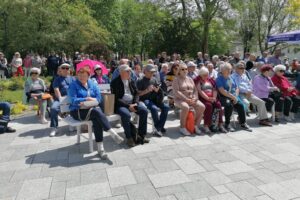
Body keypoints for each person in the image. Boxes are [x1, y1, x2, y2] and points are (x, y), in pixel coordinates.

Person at [68, 67, 123, 159]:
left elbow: (99, 98)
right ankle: (111, 134)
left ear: (88, 76)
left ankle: (101, 148)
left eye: (84, 76)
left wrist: (93, 100)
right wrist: (86, 99)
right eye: (79, 75)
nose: (81, 77)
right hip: (77, 111)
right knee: (97, 112)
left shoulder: (92, 84)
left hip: (92, 110)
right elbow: (73, 100)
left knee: (97, 118)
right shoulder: (74, 85)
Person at [110, 64, 149, 147]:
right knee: (126, 115)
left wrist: (135, 103)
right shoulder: (114, 82)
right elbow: (116, 99)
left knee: (144, 111)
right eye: (127, 71)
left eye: (130, 71)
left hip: (132, 103)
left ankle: (142, 135)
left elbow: (136, 93)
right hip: (120, 105)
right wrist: (128, 106)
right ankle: (129, 138)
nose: (129, 73)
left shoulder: (131, 80)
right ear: (121, 72)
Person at [231, 62, 272, 126]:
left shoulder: (244, 75)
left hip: (249, 93)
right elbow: (237, 86)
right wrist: (246, 91)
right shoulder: (233, 76)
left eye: (243, 68)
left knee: (261, 102)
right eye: (241, 68)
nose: (243, 69)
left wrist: (250, 90)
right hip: (240, 94)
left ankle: (263, 119)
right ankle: (241, 117)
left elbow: (250, 84)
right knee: (246, 103)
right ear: (236, 69)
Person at [216, 63, 252, 132]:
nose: (230, 70)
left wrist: (235, 95)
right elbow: (222, 91)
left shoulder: (231, 77)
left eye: (230, 69)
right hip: (224, 97)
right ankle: (227, 124)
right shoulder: (219, 79)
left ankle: (243, 123)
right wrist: (233, 97)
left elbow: (237, 88)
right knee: (229, 105)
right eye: (228, 69)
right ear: (223, 70)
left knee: (241, 105)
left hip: (233, 96)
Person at [172, 63, 205, 135]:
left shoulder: (190, 79)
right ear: (179, 71)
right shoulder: (176, 79)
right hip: (179, 99)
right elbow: (176, 92)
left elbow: (195, 90)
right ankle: (182, 127)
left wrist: (195, 98)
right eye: (182, 69)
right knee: (185, 107)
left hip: (191, 98)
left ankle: (195, 125)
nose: (185, 71)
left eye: (186, 69)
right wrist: (186, 99)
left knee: (202, 106)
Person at [137, 64, 169, 137]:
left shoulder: (154, 79)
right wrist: (147, 90)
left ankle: (158, 127)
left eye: (153, 72)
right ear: (146, 71)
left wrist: (157, 90)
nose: (152, 73)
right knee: (154, 108)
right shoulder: (140, 80)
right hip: (145, 100)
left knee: (166, 107)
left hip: (155, 99)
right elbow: (137, 94)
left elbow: (158, 89)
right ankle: (158, 128)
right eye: (151, 72)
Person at [195, 67, 227, 134]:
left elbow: (214, 89)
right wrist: (208, 98)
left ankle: (219, 124)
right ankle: (206, 125)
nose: (206, 76)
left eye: (207, 74)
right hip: (203, 98)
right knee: (208, 105)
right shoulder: (198, 80)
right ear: (200, 74)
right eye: (204, 75)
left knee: (218, 104)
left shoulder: (210, 80)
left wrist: (214, 97)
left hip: (212, 97)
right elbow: (200, 91)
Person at [49, 64, 75, 137]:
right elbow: (56, 90)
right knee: (54, 108)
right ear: (60, 70)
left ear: (69, 70)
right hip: (60, 99)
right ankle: (54, 128)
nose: (65, 69)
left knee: (78, 105)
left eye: (67, 68)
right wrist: (61, 99)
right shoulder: (57, 79)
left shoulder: (73, 78)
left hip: (71, 98)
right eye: (63, 68)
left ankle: (72, 123)